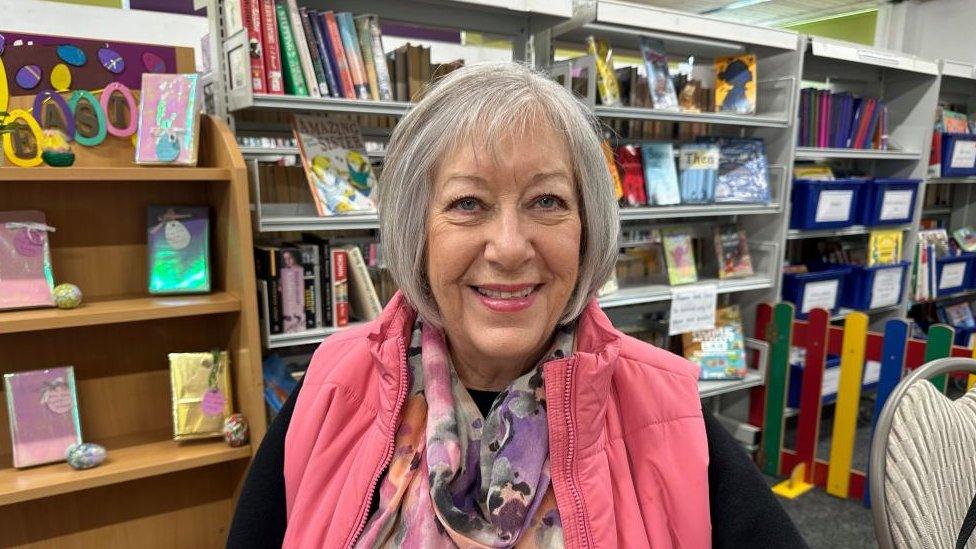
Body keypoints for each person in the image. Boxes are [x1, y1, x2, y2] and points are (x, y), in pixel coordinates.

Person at [228, 62, 805, 548]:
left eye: (547, 200)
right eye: (468, 203)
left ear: (588, 229)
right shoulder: (332, 388)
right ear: (416, 233)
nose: (508, 248)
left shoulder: (665, 412)